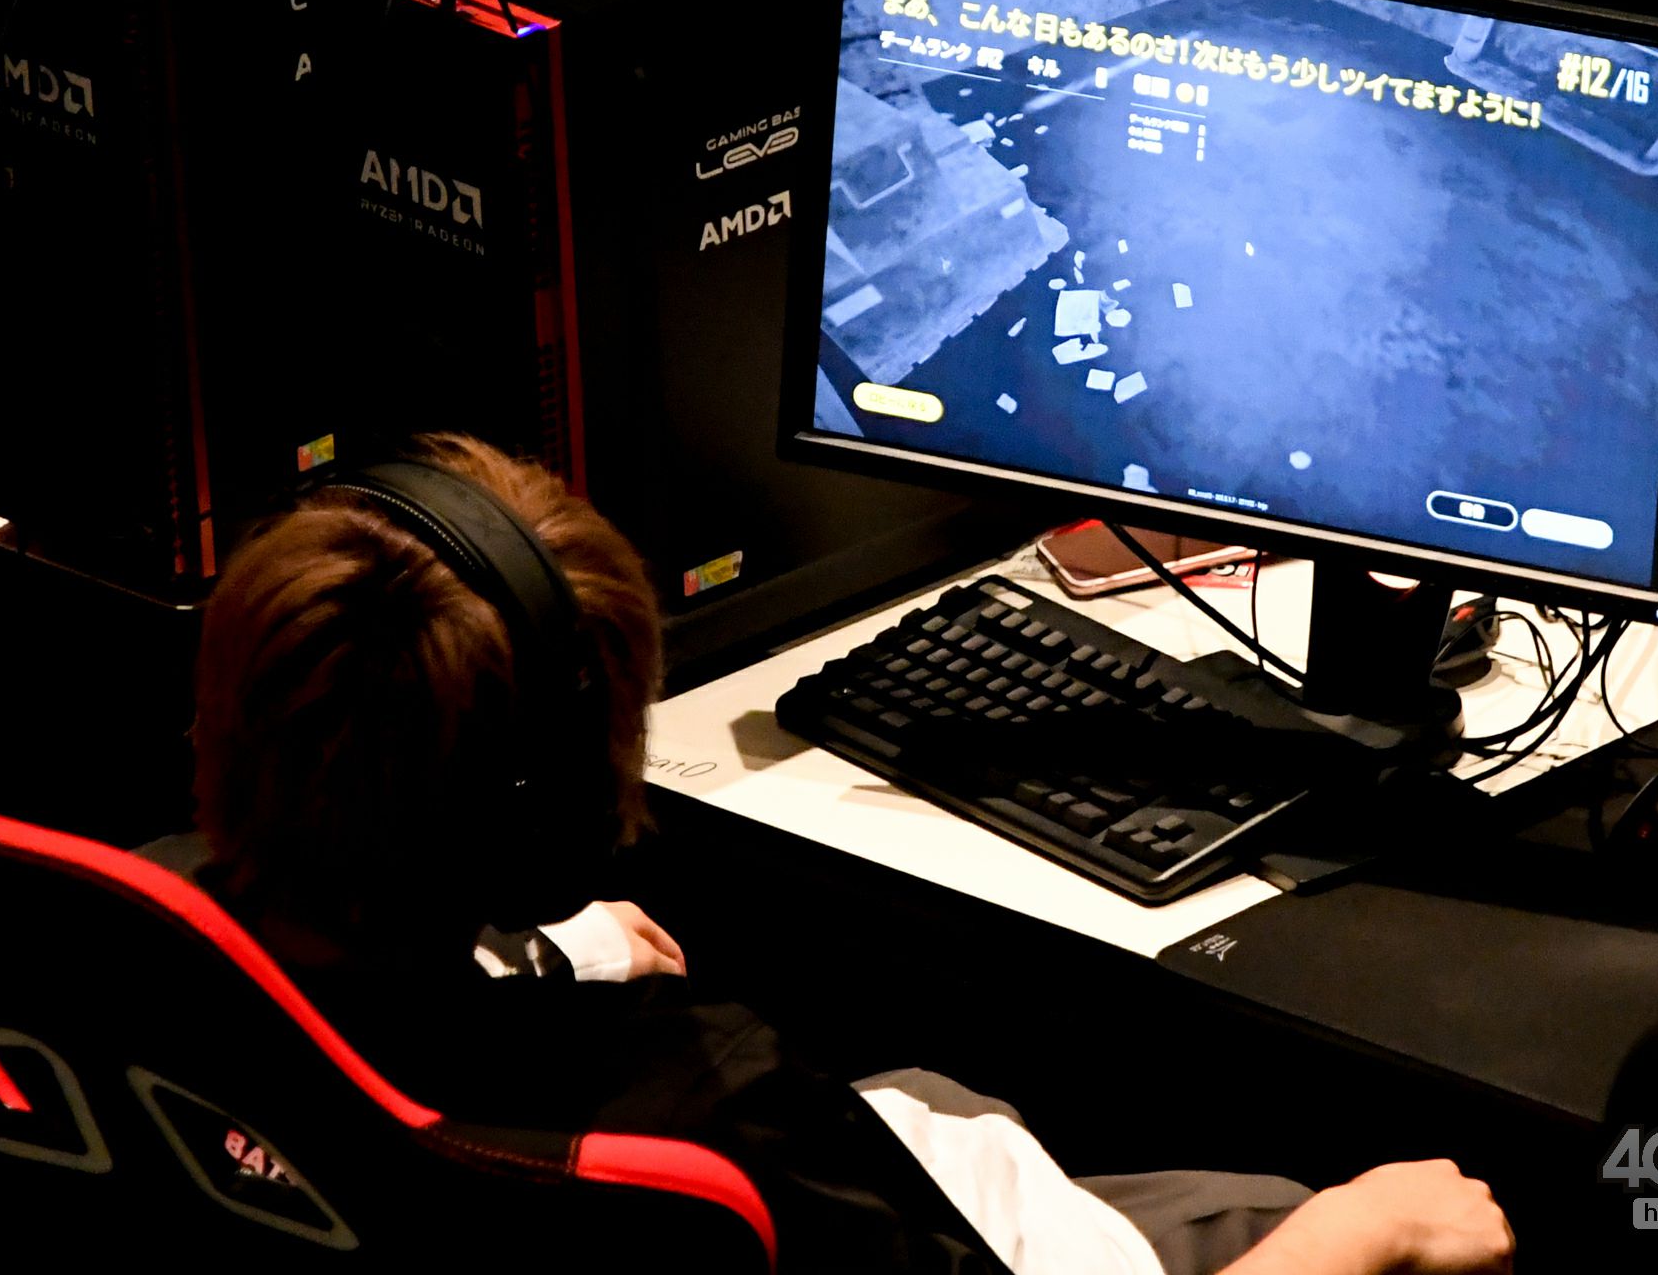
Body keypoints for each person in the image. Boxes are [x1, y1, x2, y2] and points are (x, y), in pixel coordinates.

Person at [174, 431, 1514, 1275]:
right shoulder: (711, 1121)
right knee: (1348, 1210)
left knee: (947, 1096)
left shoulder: (148, 919)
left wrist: (545, 950)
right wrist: (1366, 1232)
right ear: (551, 827)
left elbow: (377, 993)